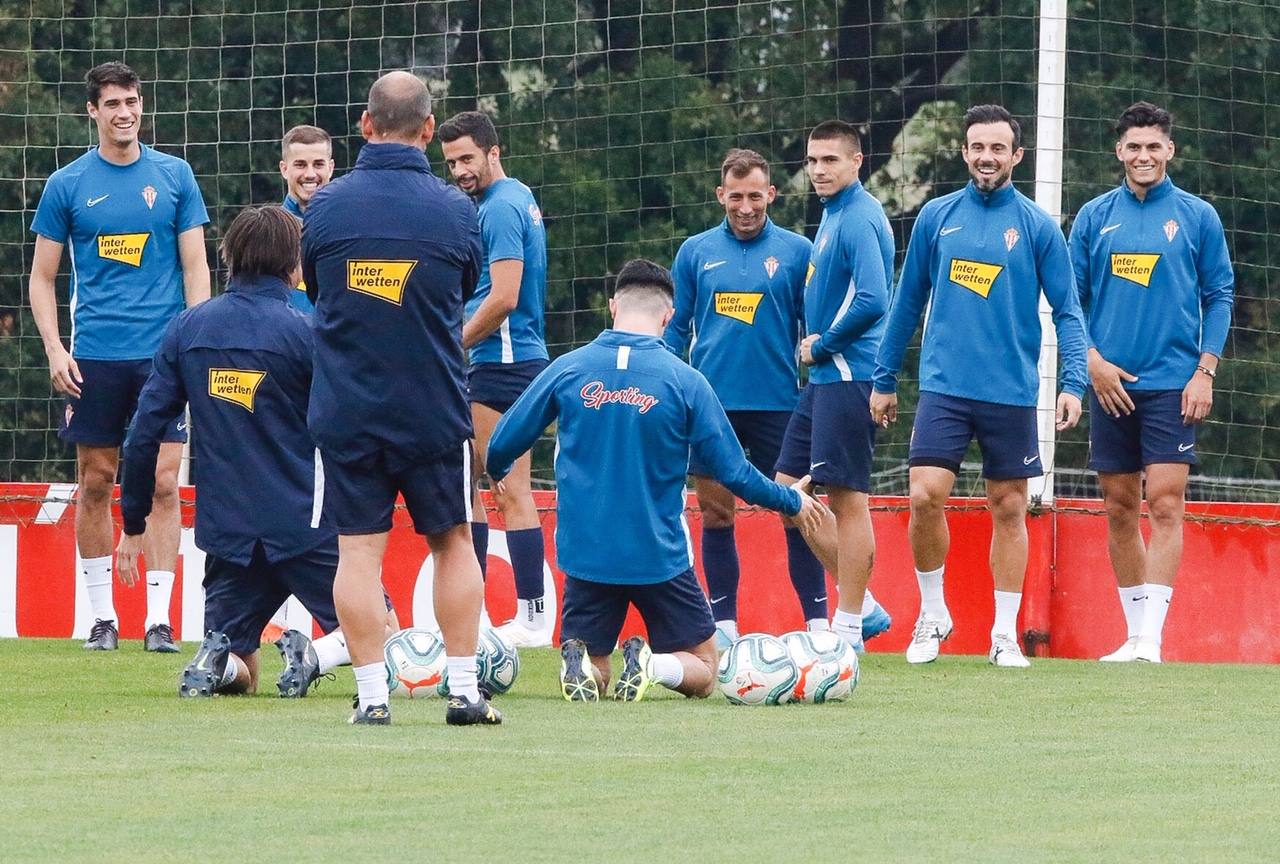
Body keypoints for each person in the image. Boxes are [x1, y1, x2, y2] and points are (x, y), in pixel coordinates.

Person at [486, 259, 825, 702]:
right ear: (668, 316)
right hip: (658, 558)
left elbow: (502, 442)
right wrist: (790, 500)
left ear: (612, 307)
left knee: (598, 668)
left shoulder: (568, 368)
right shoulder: (687, 381)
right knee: (706, 670)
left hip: (587, 555)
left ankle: (584, 664)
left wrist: (497, 471)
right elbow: (733, 472)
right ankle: (653, 663)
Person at [304, 71, 496, 726]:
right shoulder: (456, 210)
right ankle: (466, 691)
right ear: (426, 129)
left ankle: (372, 697)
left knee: (358, 551)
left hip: (349, 409)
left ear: (363, 125)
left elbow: (315, 293)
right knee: (452, 542)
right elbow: (464, 288)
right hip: (436, 408)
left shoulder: (323, 207)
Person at [871, 104, 1089, 668]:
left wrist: (1072, 383)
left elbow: (1067, 310)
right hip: (945, 387)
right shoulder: (936, 217)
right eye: (977, 147)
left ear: (1016, 155)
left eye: (997, 148)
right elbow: (906, 301)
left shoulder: (1038, 226)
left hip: (1012, 391)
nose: (986, 157)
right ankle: (932, 612)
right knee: (923, 496)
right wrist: (884, 377)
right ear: (964, 152)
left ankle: (1002, 634)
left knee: (1009, 507)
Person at [117, 206, 363, 698]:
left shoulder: (187, 329)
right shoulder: (306, 334)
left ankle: (219, 663)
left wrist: (133, 524)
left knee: (239, 664)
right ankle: (314, 654)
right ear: (294, 263)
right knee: (381, 626)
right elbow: (351, 424)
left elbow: (143, 434)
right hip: (304, 521)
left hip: (227, 525)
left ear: (229, 257)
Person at [663, 147, 891, 648]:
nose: (746, 207)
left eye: (755, 197)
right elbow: (678, 328)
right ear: (721, 195)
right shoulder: (695, 253)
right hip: (712, 406)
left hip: (780, 403)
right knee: (718, 513)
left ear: (772, 194)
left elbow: (816, 328)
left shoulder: (798, 251)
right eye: (735, 197)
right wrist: (657, 378)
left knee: (797, 508)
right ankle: (724, 626)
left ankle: (817, 622)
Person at [28, 61, 211, 653]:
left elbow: (195, 268)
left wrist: (195, 342)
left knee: (162, 482)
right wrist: (56, 349)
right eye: (112, 104)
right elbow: (41, 277)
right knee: (95, 481)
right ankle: (102, 618)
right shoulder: (67, 184)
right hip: (95, 357)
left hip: (162, 360)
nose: (124, 112)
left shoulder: (176, 176)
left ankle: (159, 620)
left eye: (132, 101)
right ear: (93, 111)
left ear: (142, 104)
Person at [1068, 102, 1234, 664]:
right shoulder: (1093, 216)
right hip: (1110, 383)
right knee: (1118, 506)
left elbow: (1220, 296)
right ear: (1119, 152)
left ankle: (1152, 639)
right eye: (1133, 147)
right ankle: (1132, 632)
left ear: (1170, 151)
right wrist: (1090, 361)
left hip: (1173, 384)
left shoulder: (1197, 216)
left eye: (1153, 146)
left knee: (1164, 503)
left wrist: (1204, 370)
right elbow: (1071, 301)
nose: (1144, 155)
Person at [771, 120, 893, 653]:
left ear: (856, 162)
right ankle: (862, 605)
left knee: (848, 500)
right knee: (785, 490)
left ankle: (847, 628)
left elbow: (872, 298)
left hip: (848, 373)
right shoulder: (831, 215)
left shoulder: (861, 216)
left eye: (831, 160)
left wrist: (822, 345)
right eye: (813, 160)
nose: (819, 170)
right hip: (823, 379)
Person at [438, 111, 551, 648]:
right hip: (511, 361)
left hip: (503, 363)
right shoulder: (511, 198)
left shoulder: (501, 207)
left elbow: (504, 296)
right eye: (451, 162)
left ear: (493, 151)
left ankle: (528, 618)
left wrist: (448, 342)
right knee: (480, 486)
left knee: (498, 488)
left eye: (467, 158)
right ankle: (502, 615)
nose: (460, 170)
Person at [278, 124, 335, 315]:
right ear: (284, 169)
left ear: (331, 167)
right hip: (284, 340)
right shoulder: (270, 233)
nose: (310, 174)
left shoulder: (348, 227)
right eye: (300, 164)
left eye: (318, 164)